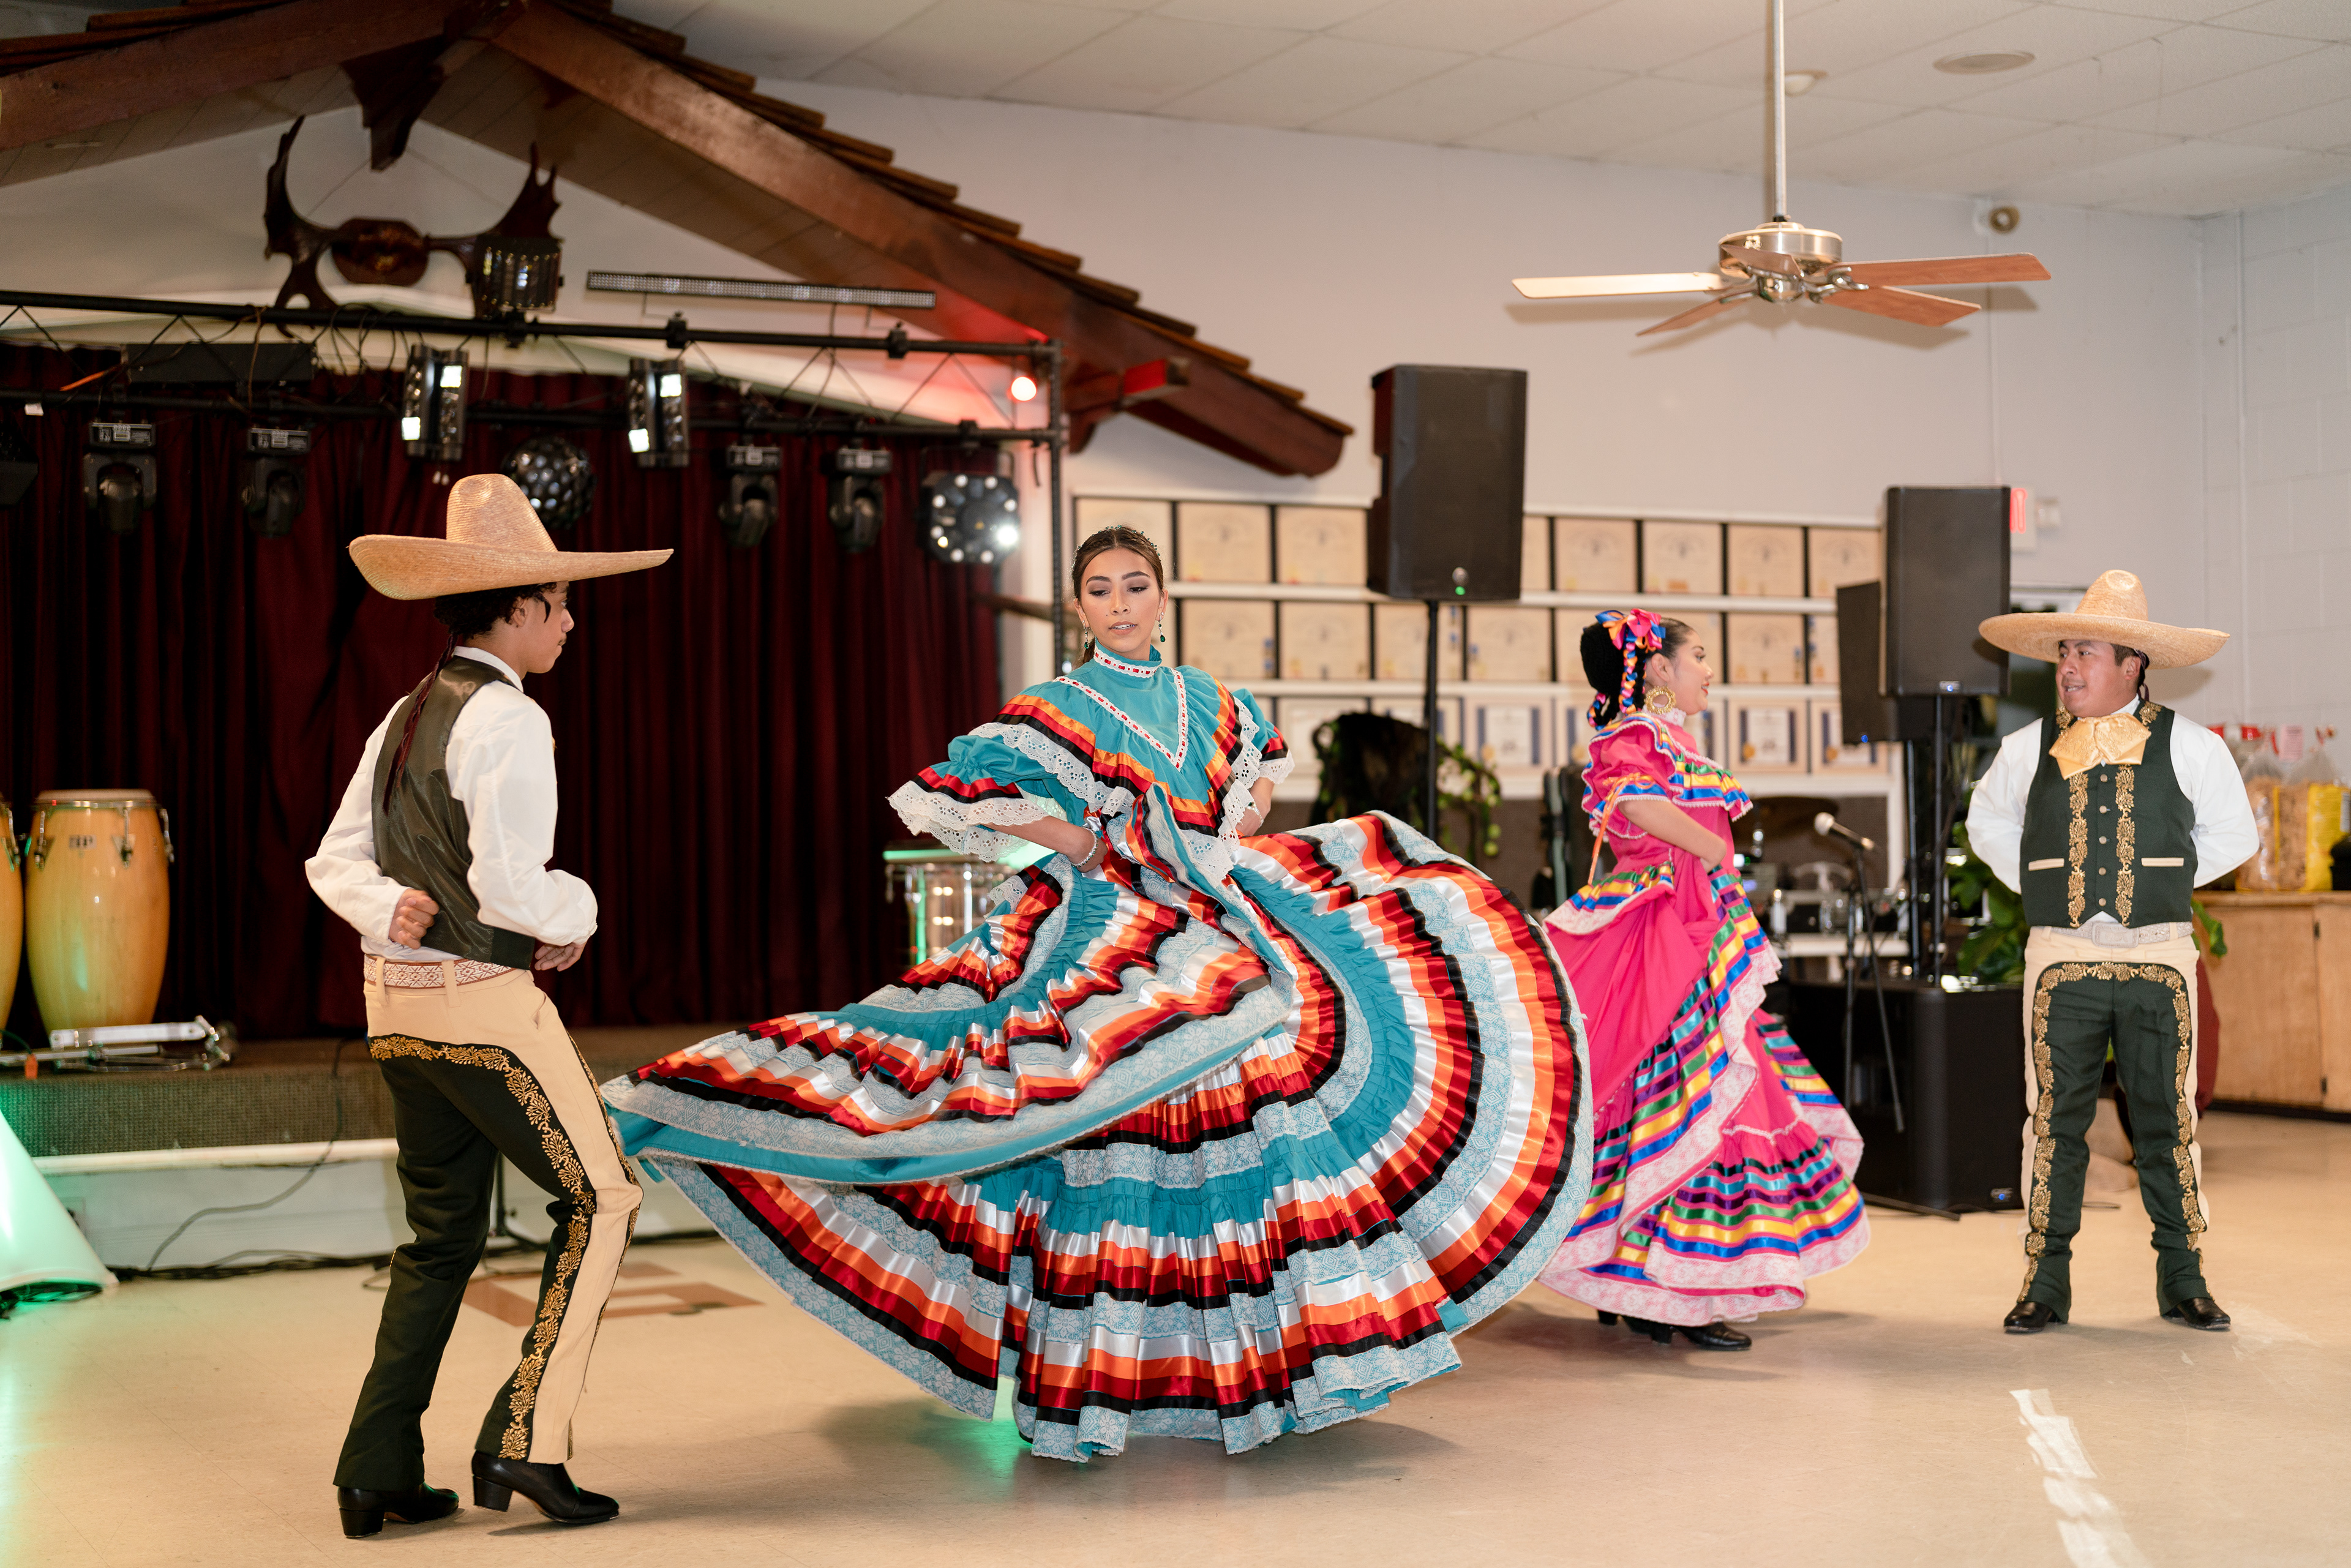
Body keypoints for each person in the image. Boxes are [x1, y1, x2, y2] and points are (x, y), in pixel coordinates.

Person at [604, 525, 1592, 1461]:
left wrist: (1232, 828)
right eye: (1100, 589)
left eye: (1135, 586)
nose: (1120, 603)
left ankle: (1262, 1373)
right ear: (1079, 606)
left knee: (1274, 1117)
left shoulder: (1211, 696)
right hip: (1113, 928)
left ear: (1163, 596)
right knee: (1097, 1127)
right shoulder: (1057, 706)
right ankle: (1117, 1378)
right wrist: (1087, 843)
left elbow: (1260, 771)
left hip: (1222, 916)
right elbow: (972, 788)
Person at [306, 474, 670, 1536]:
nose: (569, 621)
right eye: (559, 603)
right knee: (606, 1198)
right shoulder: (510, 717)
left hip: (396, 1009)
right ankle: (527, 1441)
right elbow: (514, 889)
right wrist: (579, 912)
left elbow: (333, 859)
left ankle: (376, 1466)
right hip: (481, 1010)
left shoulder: (406, 709)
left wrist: (386, 907)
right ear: (517, 605)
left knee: (441, 1237)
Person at [1532, 610, 1867, 1349]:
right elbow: (1632, 803)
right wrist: (1709, 850)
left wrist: (1709, 862)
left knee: (1684, 1093)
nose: (1710, 672)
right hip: (1663, 926)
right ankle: (1664, 1289)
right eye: (1701, 656)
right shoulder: (1635, 736)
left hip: (1694, 925)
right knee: (1688, 1093)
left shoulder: (1669, 738)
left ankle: (1643, 1281)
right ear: (1659, 667)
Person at [1969, 570, 2257, 1335]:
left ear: (2132, 664)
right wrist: (2041, 878)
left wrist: (2164, 877)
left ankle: (2184, 1277)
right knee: (2052, 1123)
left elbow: (2236, 833)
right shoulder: (2027, 746)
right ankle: (2046, 1280)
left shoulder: (2191, 745)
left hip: (2158, 957)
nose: (2067, 666)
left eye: (2085, 652)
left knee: (2168, 1121)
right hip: (2060, 957)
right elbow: (1987, 821)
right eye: (2064, 651)